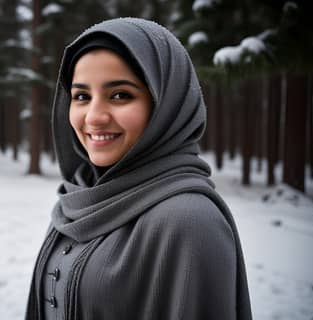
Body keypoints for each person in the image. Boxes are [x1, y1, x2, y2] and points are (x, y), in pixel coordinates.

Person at [25, 18, 252, 320]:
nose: (93, 117)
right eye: (81, 96)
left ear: (166, 104)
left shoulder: (188, 222)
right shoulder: (76, 201)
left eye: (120, 95)